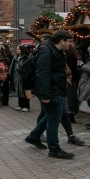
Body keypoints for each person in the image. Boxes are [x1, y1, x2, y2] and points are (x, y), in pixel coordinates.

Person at [24, 30, 75, 159]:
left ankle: (33, 137)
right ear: (62, 41)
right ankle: (54, 149)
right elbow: (42, 73)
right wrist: (45, 95)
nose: (71, 44)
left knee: (50, 116)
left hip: (55, 88)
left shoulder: (54, 51)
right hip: (51, 90)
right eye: (69, 41)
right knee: (54, 120)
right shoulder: (47, 52)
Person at [10, 45, 31, 112]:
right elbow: (12, 67)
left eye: (19, 49)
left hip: (24, 77)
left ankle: (26, 106)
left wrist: (22, 69)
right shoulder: (15, 58)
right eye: (17, 49)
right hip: (16, 76)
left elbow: (29, 68)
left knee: (24, 91)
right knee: (19, 91)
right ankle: (20, 105)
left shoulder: (27, 58)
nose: (17, 50)